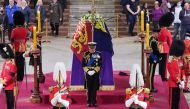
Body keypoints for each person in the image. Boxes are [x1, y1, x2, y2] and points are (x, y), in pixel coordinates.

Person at [82, 42, 102, 107]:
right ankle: (89, 102)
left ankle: (94, 102)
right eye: (91, 48)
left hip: (95, 73)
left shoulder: (99, 54)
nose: (92, 49)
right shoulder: (85, 54)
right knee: (89, 88)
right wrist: (88, 71)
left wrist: (94, 71)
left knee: (94, 88)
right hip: (88, 73)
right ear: (89, 48)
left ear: (95, 47)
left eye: (93, 48)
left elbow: (100, 64)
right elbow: (83, 65)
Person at [11, 11, 28, 87]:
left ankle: (17, 79)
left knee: (16, 64)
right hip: (23, 50)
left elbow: (12, 39)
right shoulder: (25, 30)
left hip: (16, 50)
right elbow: (26, 39)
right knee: (22, 64)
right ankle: (21, 78)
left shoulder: (14, 31)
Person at [168, 40, 185, 109]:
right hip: (173, 85)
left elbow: (182, 70)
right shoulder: (171, 62)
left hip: (179, 84)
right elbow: (173, 74)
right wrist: (179, 82)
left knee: (177, 100)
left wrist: (183, 80)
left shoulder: (179, 60)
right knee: (173, 102)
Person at [157, 12, 174, 81]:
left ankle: (160, 75)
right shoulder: (167, 31)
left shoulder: (160, 30)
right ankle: (163, 77)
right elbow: (170, 42)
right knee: (164, 63)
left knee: (161, 63)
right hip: (165, 48)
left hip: (159, 47)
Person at [0, 43, 17, 109]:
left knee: (10, 101)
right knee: (7, 101)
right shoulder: (5, 63)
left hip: (10, 86)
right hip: (4, 85)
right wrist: (1, 78)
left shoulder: (12, 64)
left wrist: (4, 81)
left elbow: (11, 76)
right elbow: (2, 72)